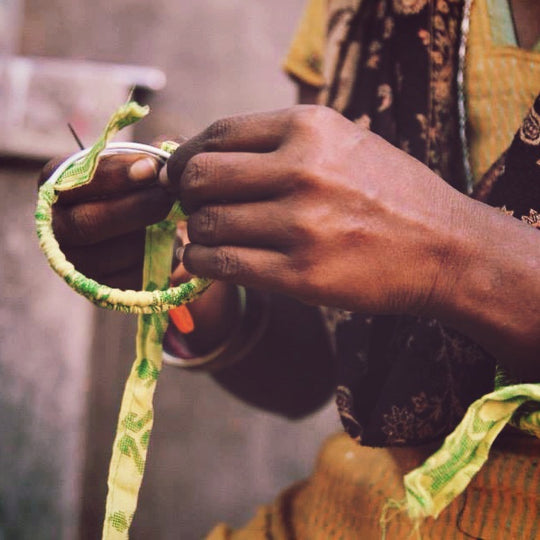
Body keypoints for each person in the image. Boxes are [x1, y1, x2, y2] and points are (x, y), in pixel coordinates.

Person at [43, 0, 539, 537]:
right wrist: (181, 274)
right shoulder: (360, 11)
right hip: (344, 516)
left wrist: (449, 256)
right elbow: (316, 366)